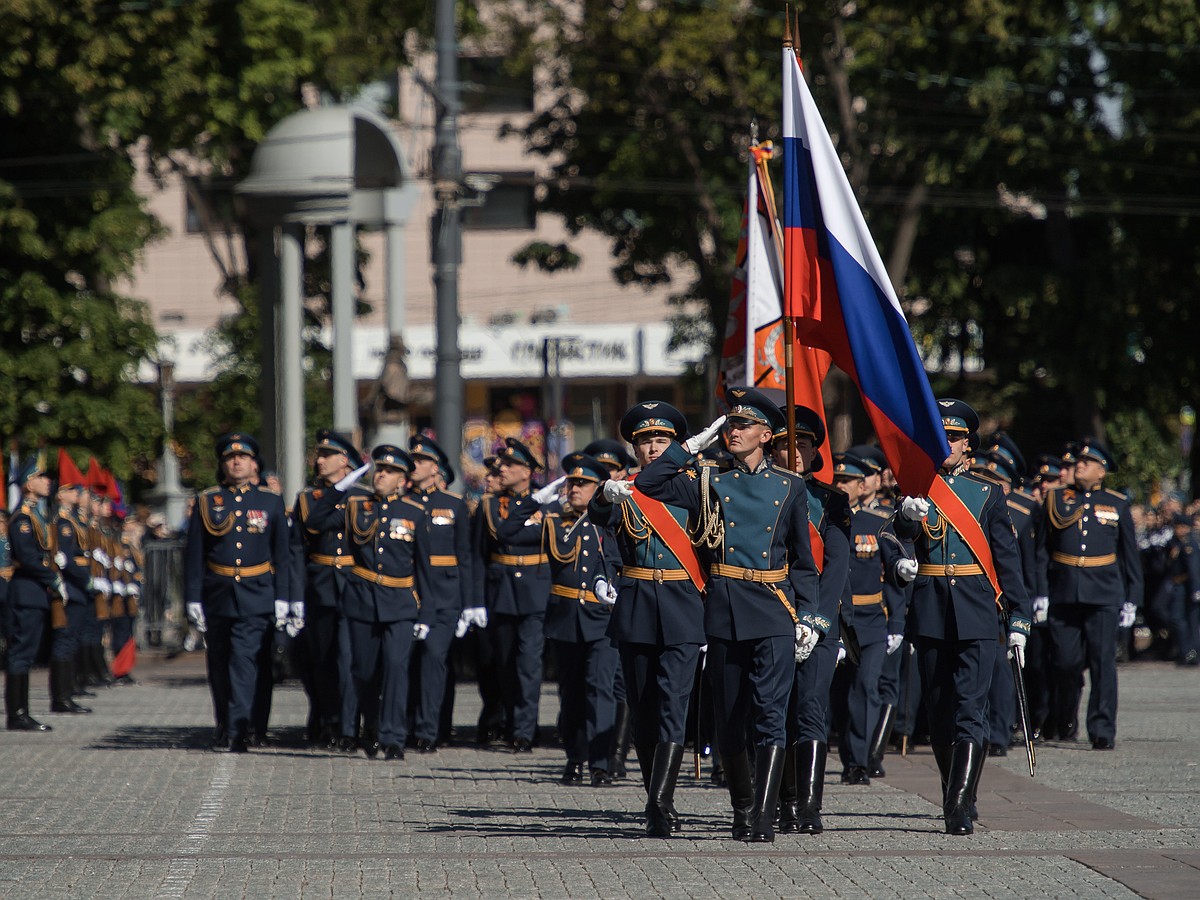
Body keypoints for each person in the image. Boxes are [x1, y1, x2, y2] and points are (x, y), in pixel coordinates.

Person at [635, 386, 821, 843]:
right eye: (730, 424)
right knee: (729, 717)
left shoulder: (791, 487)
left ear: (766, 434)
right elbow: (648, 483)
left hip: (773, 607)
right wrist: (688, 446)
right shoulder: (708, 479)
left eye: (743, 425)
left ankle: (762, 815)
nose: (732, 431)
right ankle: (742, 806)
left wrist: (810, 615)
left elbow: (803, 561)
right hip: (723, 605)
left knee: (771, 714)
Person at [892, 399, 1030, 835]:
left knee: (971, 709)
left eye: (952, 437)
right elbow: (896, 538)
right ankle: (959, 790)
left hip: (975, 607)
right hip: (931, 605)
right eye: (939, 436)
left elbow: (1007, 559)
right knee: (938, 711)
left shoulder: (987, 491)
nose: (945, 443)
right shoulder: (916, 486)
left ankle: (956, 802)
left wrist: (1019, 619)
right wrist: (906, 525)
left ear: (967, 443)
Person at [588, 402, 706, 836]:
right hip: (637, 604)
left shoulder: (696, 487)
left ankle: (661, 801)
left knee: (674, 704)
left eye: (661, 440)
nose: (653, 447)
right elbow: (597, 518)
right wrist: (603, 494)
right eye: (644, 441)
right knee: (643, 709)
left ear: (676, 445)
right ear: (634, 448)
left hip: (682, 602)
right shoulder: (624, 489)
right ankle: (653, 793)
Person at [306, 445, 434, 760]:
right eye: (379, 469)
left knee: (395, 666)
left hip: (400, 602)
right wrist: (341, 487)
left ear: (404, 481)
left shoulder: (415, 512)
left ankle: (393, 737)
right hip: (361, 601)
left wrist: (426, 613)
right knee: (363, 672)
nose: (381, 475)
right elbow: (315, 521)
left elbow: (424, 569)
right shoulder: (354, 506)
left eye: (390, 472)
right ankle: (372, 726)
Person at [769, 407, 851, 836]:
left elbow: (836, 566)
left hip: (818, 618)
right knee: (773, 710)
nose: (794, 451)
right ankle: (782, 802)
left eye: (802, 443)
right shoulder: (760, 493)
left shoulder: (832, 500)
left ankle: (809, 804)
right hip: (770, 614)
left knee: (810, 709)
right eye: (785, 443)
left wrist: (817, 618)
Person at [184, 433, 291, 752]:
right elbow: (194, 554)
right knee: (219, 663)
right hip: (217, 592)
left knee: (244, 660)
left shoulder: (269, 501)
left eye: (243, 457)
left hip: (257, 592)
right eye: (230, 458)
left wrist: (283, 597)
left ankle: (239, 728)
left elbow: (282, 554)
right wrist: (192, 597)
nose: (236, 461)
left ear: (254, 463)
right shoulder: (208, 500)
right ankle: (225, 724)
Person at [1041, 439, 1144, 749]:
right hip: (1064, 592)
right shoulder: (1056, 499)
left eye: (1087, 463)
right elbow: (1041, 551)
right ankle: (1064, 716)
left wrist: (1132, 598)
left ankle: (1101, 729)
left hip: (1103, 594)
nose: (1079, 466)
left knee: (1103, 663)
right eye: (1079, 462)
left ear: (1102, 472)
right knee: (1066, 662)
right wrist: (1040, 592)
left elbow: (1129, 557)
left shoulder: (1117, 504)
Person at [538, 452, 622, 786]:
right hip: (565, 618)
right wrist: (537, 499)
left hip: (602, 619)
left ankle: (600, 763)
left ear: (598, 488)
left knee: (600, 690)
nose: (574, 489)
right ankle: (575, 757)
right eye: (571, 482)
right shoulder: (553, 519)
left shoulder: (613, 520)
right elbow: (508, 530)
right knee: (570, 693)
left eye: (583, 484)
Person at [830, 452, 909, 787]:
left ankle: (859, 762)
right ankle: (846, 753)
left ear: (862, 486)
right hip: (837, 620)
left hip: (871, 618)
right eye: (837, 480)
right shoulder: (826, 518)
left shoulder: (878, 521)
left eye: (846, 481)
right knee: (840, 694)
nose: (840, 485)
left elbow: (893, 575)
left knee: (866, 689)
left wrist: (897, 624)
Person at [473, 438, 551, 752]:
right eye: (501, 465)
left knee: (529, 664)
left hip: (536, 589)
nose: (501, 470)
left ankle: (524, 730)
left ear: (527, 471)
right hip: (500, 591)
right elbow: (476, 555)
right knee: (503, 663)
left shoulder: (546, 502)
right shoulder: (489, 505)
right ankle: (506, 721)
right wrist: (475, 600)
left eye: (509, 465)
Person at [290, 430, 367, 750]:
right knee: (321, 658)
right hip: (320, 584)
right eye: (318, 455)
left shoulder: (363, 497)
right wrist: (295, 595)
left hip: (353, 582)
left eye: (327, 455)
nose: (319, 460)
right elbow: (296, 549)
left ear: (344, 461)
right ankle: (326, 718)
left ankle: (348, 727)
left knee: (349, 659)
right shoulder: (308, 499)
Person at [406, 434, 472, 752]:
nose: (413, 467)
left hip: (445, 594)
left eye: (420, 462)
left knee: (434, 659)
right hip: (408, 592)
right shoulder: (401, 503)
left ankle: (428, 730)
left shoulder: (454, 505)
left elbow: (466, 557)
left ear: (436, 469)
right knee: (405, 662)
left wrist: (469, 603)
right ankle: (403, 725)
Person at [5, 453, 60, 732]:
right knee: (21, 653)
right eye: (40, 476)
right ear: (28, 483)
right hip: (26, 592)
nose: (47, 481)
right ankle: (16, 713)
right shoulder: (22, 519)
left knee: (26, 653)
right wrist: (52, 577)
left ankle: (21, 711)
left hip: (34, 592)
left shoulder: (35, 515)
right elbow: (27, 557)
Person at [50, 451, 94, 714]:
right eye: (72, 490)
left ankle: (68, 691)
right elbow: (66, 558)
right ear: (61, 494)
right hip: (71, 587)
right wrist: (86, 578)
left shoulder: (73, 521)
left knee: (72, 638)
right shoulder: (63, 523)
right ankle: (61, 696)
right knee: (65, 641)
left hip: (79, 588)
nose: (78, 495)